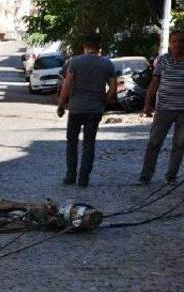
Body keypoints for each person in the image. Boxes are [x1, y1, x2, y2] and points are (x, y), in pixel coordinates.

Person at [57, 33, 117, 187]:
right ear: (99, 48)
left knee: (72, 143)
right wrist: (105, 99)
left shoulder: (75, 62)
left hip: (76, 108)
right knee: (89, 144)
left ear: (85, 46)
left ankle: (70, 176)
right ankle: (84, 178)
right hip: (95, 109)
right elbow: (113, 86)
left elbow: (67, 83)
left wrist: (62, 104)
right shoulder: (107, 63)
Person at [139, 30, 184, 184]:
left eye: (181, 41)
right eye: (174, 41)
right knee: (154, 142)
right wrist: (147, 103)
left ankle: (171, 176)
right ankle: (145, 176)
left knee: (179, 145)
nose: (178, 44)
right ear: (170, 43)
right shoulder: (163, 60)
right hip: (164, 108)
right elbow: (154, 82)